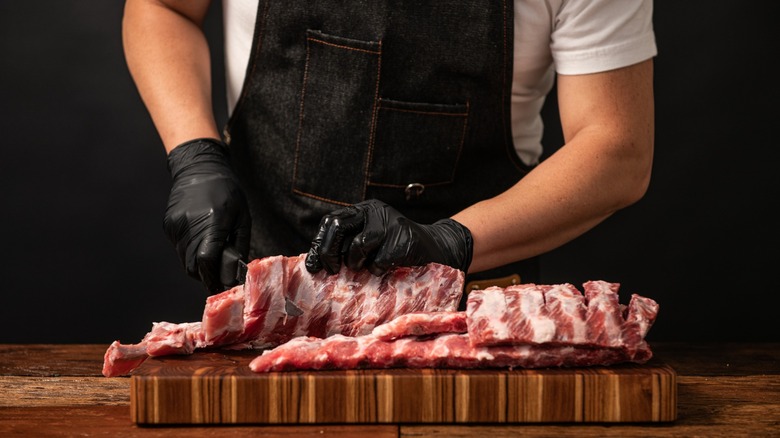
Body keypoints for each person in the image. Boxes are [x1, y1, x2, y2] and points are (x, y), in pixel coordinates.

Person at [122, 0, 656, 298]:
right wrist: (195, 155)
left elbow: (616, 147)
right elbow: (163, 7)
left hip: (472, 312)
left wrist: (448, 243)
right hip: (268, 299)